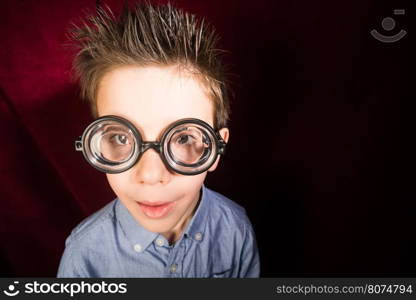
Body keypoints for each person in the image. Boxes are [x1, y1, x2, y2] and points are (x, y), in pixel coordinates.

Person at [57, 1, 260, 278]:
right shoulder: (86, 254)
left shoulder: (235, 228)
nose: (151, 175)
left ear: (215, 150)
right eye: (120, 137)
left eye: (185, 137)